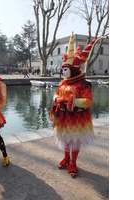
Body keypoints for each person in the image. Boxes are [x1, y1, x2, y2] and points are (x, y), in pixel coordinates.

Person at [49, 32, 96, 178]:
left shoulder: (84, 84)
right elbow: (56, 94)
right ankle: (66, 158)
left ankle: (73, 162)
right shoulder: (63, 82)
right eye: (63, 69)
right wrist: (57, 99)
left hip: (77, 117)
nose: (63, 72)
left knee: (74, 139)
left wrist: (70, 101)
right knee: (64, 138)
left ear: (74, 69)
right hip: (63, 116)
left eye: (66, 69)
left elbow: (88, 101)